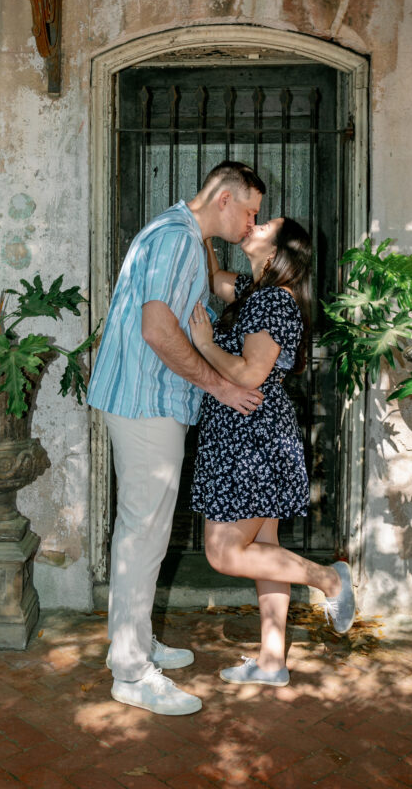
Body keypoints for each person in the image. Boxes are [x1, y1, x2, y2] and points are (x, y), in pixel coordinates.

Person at [87, 160, 267, 715]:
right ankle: (132, 672)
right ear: (224, 199)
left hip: (144, 401)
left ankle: (134, 642)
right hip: (146, 403)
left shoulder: (182, 233)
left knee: (142, 532)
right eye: (250, 211)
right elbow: (157, 330)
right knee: (143, 534)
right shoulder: (177, 241)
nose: (251, 223)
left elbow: (207, 289)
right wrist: (220, 388)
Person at [189, 217, 356, 688]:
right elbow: (213, 279)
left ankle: (330, 580)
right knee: (263, 548)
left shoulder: (271, 300)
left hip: (250, 436)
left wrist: (203, 343)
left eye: (265, 224)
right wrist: (201, 227)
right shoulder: (253, 289)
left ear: (279, 249)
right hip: (253, 431)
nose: (254, 224)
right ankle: (270, 661)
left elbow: (247, 374)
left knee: (224, 552)